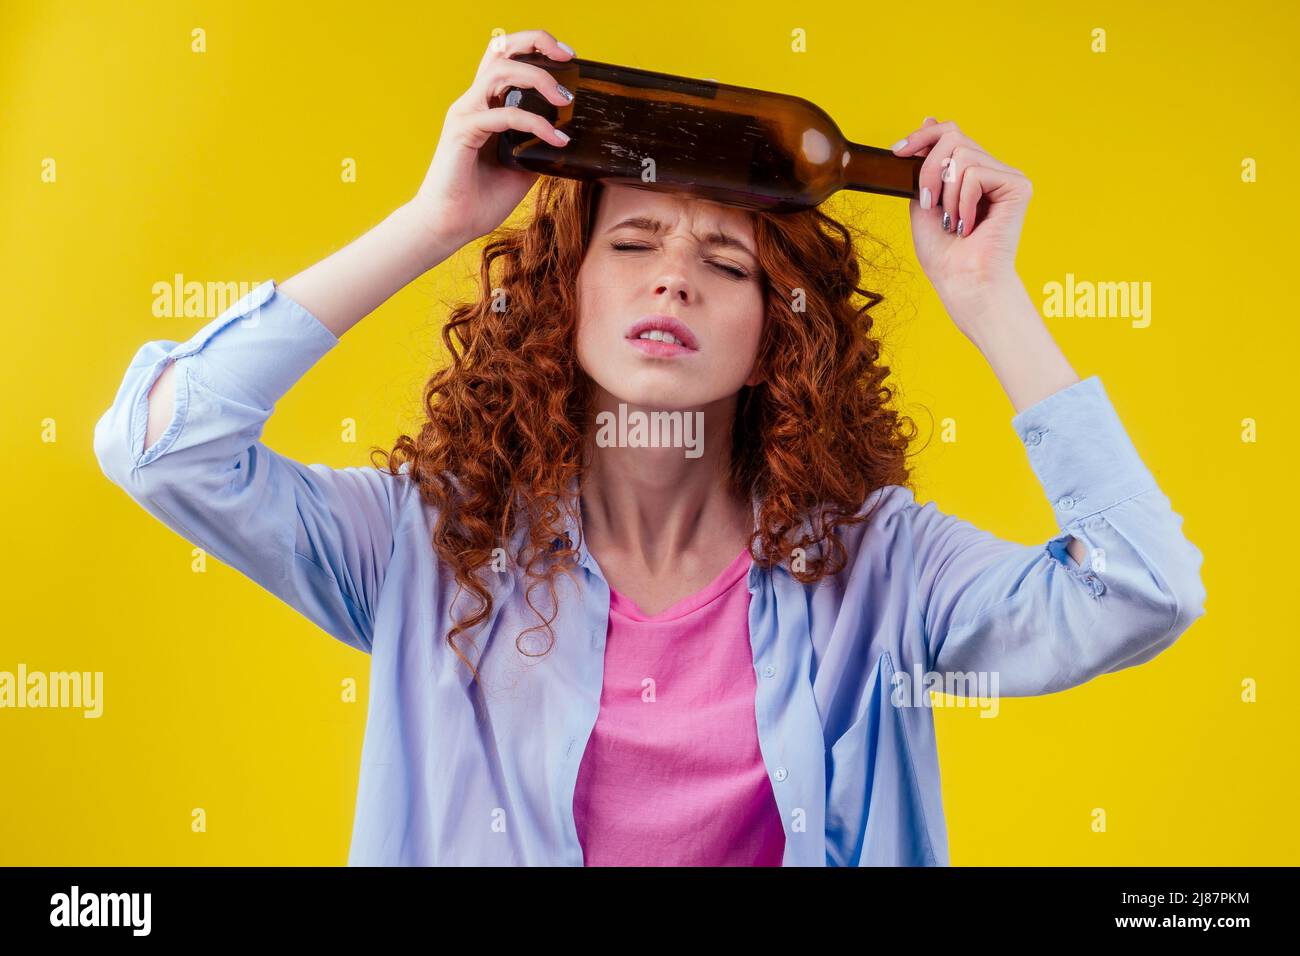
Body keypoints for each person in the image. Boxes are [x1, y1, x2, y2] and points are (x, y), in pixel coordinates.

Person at [93, 29, 1207, 866]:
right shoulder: (430, 547)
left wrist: (988, 296)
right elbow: (166, 448)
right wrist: (435, 221)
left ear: (777, 336)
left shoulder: (882, 571)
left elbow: (1142, 589)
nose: (674, 272)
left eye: (727, 265)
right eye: (631, 242)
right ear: (560, 298)